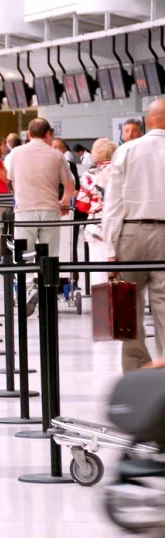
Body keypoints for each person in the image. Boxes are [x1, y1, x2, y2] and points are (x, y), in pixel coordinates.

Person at [103, 99, 165, 372]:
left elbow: (113, 203)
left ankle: (135, 369)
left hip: (131, 233)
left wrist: (110, 249)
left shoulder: (127, 150)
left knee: (130, 306)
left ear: (148, 121)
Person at [8, 118, 74, 257]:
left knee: (23, 255)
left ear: (28, 134)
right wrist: (65, 201)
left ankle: (25, 279)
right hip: (50, 209)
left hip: (24, 209)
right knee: (49, 257)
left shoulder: (15, 153)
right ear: (47, 135)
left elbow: (12, 181)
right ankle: (48, 279)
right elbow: (69, 183)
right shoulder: (57, 155)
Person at [75, 138, 117, 287]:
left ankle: (102, 307)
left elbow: (82, 205)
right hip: (120, 227)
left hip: (96, 228)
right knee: (123, 274)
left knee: (99, 276)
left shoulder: (89, 175)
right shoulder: (121, 171)